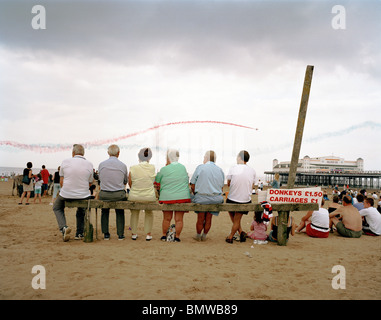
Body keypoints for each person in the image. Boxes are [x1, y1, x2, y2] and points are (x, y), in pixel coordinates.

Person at [53, 144, 94, 242]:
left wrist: (69, 192)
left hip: (66, 193)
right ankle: (79, 233)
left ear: (73, 153)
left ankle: (63, 228)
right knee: (81, 210)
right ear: (83, 153)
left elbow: (61, 182)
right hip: (83, 195)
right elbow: (90, 182)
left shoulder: (65, 161)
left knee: (57, 207)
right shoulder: (89, 164)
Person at [155, 149, 191, 242]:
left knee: (167, 218)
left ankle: (164, 235)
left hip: (167, 197)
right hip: (182, 197)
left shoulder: (164, 169)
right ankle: (177, 237)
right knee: (179, 219)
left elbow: (157, 183)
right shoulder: (183, 167)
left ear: (168, 158)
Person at [190, 150, 225, 241]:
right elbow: (221, 188)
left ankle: (198, 236)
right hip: (216, 199)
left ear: (206, 158)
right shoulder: (220, 170)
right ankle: (204, 236)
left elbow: (192, 184)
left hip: (202, 198)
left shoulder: (200, 167)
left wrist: (195, 194)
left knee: (201, 217)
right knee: (209, 217)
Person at [225, 150, 256, 244]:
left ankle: (230, 237)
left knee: (236, 219)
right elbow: (252, 186)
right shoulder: (252, 170)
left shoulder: (233, 168)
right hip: (246, 199)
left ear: (239, 158)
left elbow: (229, 183)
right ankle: (241, 232)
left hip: (233, 198)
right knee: (237, 218)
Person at [98, 144, 128, 241]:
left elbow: (100, 179)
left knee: (104, 211)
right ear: (118, 153)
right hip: (118, 194)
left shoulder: (101, 164)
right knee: (120, 211)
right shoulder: (123, 165)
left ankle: (106, 233)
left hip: (104, 194)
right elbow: (125, 181)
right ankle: (120, 234)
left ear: (108, 153)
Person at [128, 147, 157, 241]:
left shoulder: (133, 168)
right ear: (150, 157)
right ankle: (148, 234)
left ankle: (134, 233)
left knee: (134, 212)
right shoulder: (152, 167)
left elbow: (130, 183)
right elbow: (152, 181)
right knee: (149, 212)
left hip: (135, 195)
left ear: (139, 156)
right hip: (149, 196)